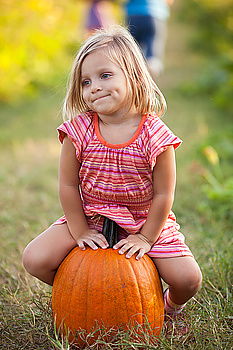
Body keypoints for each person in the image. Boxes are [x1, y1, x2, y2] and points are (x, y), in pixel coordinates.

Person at [22, 25, 202, 331]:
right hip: (91, 215)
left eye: (105, 75)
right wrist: (79, 231)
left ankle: (166, 305)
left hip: (144, 218)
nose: (94, 87)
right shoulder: (77, 132)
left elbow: (163, 195)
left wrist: (146, 237)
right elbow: (68, 186)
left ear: (133, 75)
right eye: (85, 81)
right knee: (34, 259)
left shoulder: (155, 135)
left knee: (189, 279)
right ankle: (80, 296)